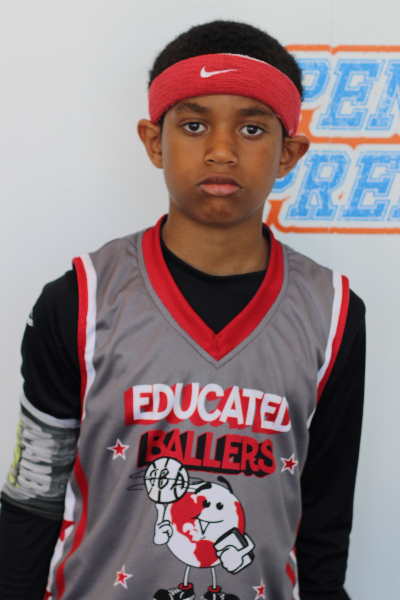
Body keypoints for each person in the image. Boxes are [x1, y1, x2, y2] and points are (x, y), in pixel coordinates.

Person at [0, 20, 365, 600]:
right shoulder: (79, 300)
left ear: (289, 152)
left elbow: (324, 518)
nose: (221, 150)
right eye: (194, 125)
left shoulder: (334, 311)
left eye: (251, 128)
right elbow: (33, 496)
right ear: (154, 141)